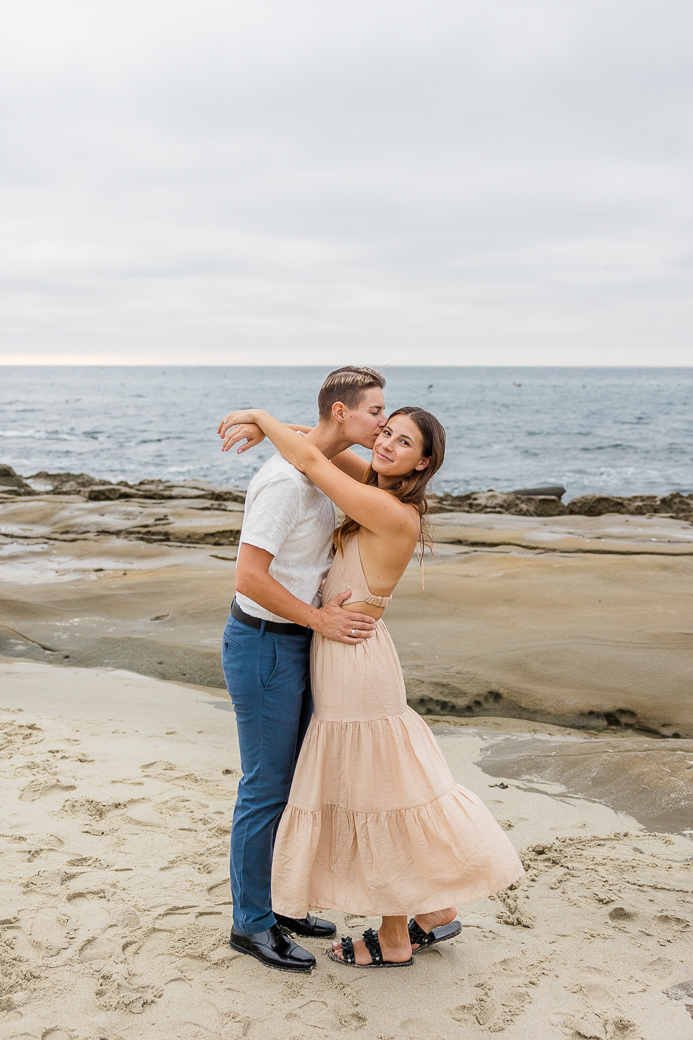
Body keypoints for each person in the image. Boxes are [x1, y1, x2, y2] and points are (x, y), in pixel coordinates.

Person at [219, 403, 525, 969]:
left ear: (424, 461)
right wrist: (287, 427)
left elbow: (312, 457)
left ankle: (394, 936)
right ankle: (431, 912)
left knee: (377, 794)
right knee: (376, 789)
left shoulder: (391, 511)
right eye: (384, 430)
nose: (385, 444)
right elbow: (325, 443)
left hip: (354, 660)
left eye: (402, 441)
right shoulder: (374, 486)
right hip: (341, 652)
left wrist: (261, 416)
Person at [218, 367, 391, 974]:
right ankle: (251, 925)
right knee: (264, 789)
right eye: (376, 411)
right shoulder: (284, 483)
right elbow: (249, 577)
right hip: (264, 645)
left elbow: (312, 445)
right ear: (342, 413)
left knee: (293, 786)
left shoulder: (326, 468)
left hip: (294, 644)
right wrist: (320, 621)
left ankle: (279, 906)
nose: (385, 423)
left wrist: (268, 422)